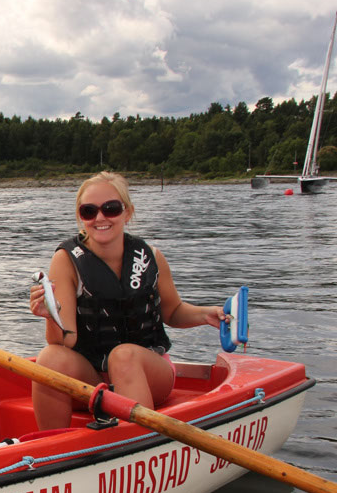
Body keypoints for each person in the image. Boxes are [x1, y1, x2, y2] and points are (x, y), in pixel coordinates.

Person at [29, 172, 227, 430]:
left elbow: (173, 311)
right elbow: (65, 340)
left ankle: (137, 440)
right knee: (49, 358)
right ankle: (53, 448)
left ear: (127, 213)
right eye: (89, 211)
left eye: (110, 208)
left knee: (123, 356)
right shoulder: (66, 260)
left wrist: (206, 315)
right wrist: (50, 315)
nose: (100, 218)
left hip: (148, 373)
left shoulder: (150, 257)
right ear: (81, 217)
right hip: (91, 377)